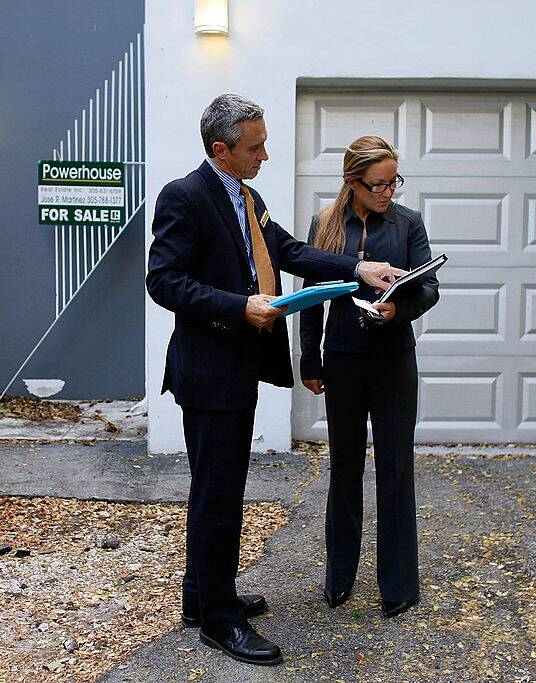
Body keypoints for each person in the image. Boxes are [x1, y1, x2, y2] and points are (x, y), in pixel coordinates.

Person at [146, 95, 401, 666]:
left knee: (220, 490)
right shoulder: (184, 197)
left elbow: (286, 250)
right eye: (255, 147)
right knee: (219, 496)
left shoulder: (248, 196)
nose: (265, 154)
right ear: (222, 149)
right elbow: (163, 281)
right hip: (209, 373)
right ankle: (217, 619)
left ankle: (203, 596)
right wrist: (240, 308)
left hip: (236, 370)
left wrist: (355, 269)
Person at [299, 135, 439, 619]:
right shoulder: (325, 224)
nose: (387, 192)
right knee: (345, 470)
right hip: (342, 359)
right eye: (377, 184)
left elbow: (428, 290)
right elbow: (312, 292)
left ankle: (398, 584)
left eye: (393, 182)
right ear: (352, 182)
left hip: (393, 360)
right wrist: (309, 358)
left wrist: (397, 308)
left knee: (396, 470)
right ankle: (339, 577)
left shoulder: (408, 224)